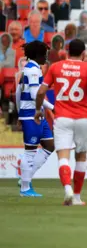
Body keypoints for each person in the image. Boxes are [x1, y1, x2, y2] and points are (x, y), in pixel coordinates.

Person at [35, 39, 87, 206]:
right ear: (83, 54)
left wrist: (38, 110)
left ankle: (67, 189)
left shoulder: (55, 67)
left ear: (67, 51)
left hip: (62, 118)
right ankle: (76, 197)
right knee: (81, 158)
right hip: (83, 118)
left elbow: (41, 92)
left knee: (63, 156)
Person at [16, 41, 55, 197]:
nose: (46, 57)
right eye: (44, 54)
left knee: (49, 145)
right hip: (32, 114)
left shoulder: (30, 69)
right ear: (38, 54)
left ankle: (25, 178)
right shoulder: (33, 70)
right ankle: (25, 188)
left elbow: (19, 92)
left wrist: (19, 112)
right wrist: (52, 107)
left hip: (36, 113)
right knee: (30, 152)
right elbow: (34, 95)